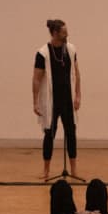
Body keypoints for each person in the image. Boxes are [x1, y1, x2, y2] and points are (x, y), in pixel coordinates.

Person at [32, 19, 81, 180]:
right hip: (51, 101)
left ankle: (73, 169)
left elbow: (77, 73)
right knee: (49, 134)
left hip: (67, 100)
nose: (67, 35)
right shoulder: (43, 53)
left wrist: (78, 95)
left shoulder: (71, 50)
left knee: (71, 133)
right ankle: (46, 170)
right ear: (55, 33)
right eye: (64, 32)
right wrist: (35, 102)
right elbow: (36, 79)